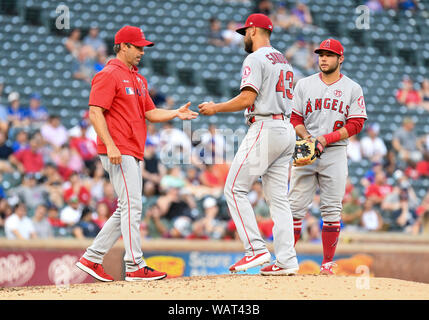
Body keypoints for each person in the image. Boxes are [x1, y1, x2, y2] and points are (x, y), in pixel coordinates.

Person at [76, 25, 197, 282]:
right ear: (123, 46)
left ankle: (92, 258)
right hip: (118, 149)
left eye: (143, 47)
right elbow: (95, 112)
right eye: (138, 46)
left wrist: (175, 112)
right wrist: (110, 145)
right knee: (133, 205)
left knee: (126, 207)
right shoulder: (108, 74)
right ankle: (134, 264)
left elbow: (151, 114)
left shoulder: (139, 79)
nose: (142, 51)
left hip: (131, 148)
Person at [198, 13, 299, 276]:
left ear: (254, 31)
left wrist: (216, 108)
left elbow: (246, 98)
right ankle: (287, 260)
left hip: (265, 126)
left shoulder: (254, 57)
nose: (244, 36)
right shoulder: (283, 60)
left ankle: (255, 249)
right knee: (279, 201)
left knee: (233, 188)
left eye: (246, 32)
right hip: (286, 128)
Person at [289, 38, 367, 275]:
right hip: (307, 148)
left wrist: (326, 139)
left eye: (329, 55)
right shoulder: (304, 85)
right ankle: (285, 261)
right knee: (293, 208)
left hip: (335, 152)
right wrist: (309, 137)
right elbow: (295, 119)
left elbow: (356, 124)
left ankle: (327, 264)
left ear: (340, 59)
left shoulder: (352, 88)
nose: (323, 58)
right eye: (321, 54)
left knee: (332, 209)